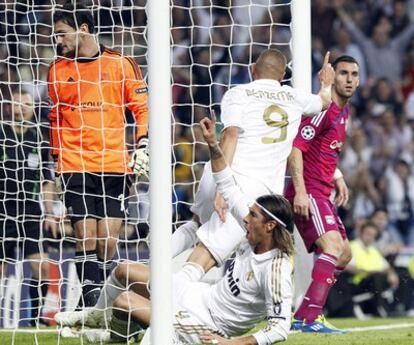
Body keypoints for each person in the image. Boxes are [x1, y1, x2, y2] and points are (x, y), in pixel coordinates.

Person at [55, 113, 295, 345]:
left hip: (204, 323)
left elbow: (280, 327)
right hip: (195, 295)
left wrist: (235, 343)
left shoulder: (276, 269)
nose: (245, 219)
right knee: (123, 271)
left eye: (252, 216)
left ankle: (123, 336)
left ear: (270, 226)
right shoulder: (253, 232)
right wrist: (213, 143)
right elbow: (227, 184)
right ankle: (99, 319)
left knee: (126, 302)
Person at [172, 48, 335, 282]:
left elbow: (230, 133)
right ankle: (169, 302)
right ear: (281, 77)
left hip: (216, 172)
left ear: (253, 70)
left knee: (195, 224)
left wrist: (219, 182)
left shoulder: (238, 93)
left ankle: (150, 266)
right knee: (206, 256)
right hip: (247, 190)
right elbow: (323, 102)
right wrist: (325, 82)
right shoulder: (295, 97)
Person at [48, 3, 149, 306]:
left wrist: (143, 144)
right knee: (86, 236)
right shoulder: (56, 69)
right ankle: (93, 303)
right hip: (74, 163)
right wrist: (56, 159)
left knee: (108, 240)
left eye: (62, 34)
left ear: (84, 29)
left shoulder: (121, 63)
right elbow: (55, 119)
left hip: (114, 162)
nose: (58, 41)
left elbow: (141, 108)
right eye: (55, 35)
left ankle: (90, 297)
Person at [285, 55, 360, 333]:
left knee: (344, 255)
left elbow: (326, 149)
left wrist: (338, 176)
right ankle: (309, 320)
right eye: (343, 73)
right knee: (332, 248)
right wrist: (301, 193)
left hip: (323, 191)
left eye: (354, 74)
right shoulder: (322, 109)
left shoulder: (344, 111)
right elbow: (295, 150)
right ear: (333, 76)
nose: (350, 79)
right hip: (308, 191)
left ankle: (303, 316)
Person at [0, 89, 57, 326]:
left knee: (42, 266)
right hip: (2, 211)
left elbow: (46, 180)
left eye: (25, 103)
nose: (20, 108)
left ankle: (36, 320)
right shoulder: (2, 133)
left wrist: (50, 213)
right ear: (9, 107)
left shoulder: (39, 139)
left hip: (31, 212)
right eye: (16, 104)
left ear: (33, 108)